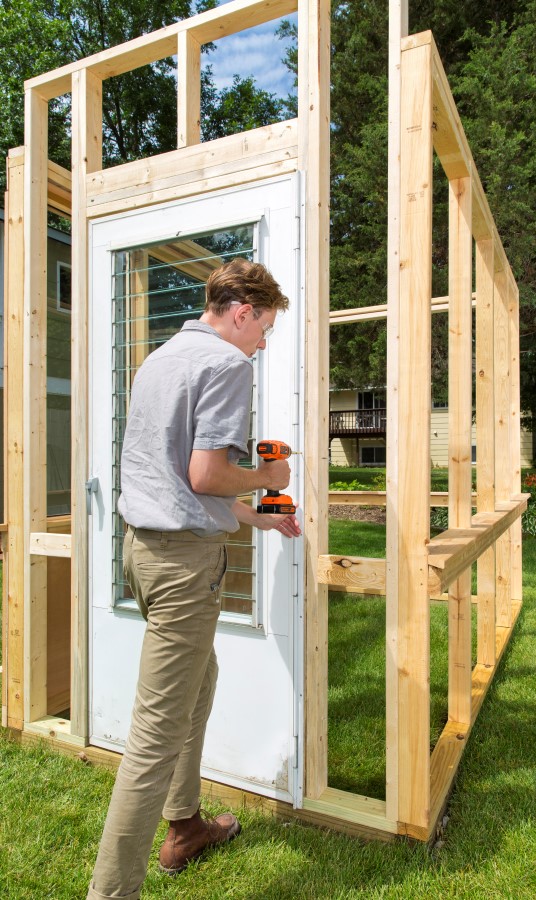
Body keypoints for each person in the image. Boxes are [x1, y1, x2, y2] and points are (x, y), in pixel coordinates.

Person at [87, 257, 301, 900]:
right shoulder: (229, 365)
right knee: (154, 735)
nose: (262, 344)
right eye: (263, 329)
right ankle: (111, 892)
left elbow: (180, 480)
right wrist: (269, 480)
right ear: (242, 314)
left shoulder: (160, 359)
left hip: (142, 555)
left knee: (198, 680)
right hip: (184, 569)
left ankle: (185, 826)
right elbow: (207, 474)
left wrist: (258, 521)